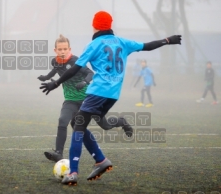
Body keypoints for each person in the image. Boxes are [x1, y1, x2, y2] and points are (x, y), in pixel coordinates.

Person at [40, 11, 181, 185]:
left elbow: (74, 69)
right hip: (113, 94)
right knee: (81, 123)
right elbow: (147, 46)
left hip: (98, 91)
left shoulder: (94, 44)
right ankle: (100, 160)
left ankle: (73, 172)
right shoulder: (122, 42)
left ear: (94, 25)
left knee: (78, 127)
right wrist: (167, 40)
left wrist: (55, 84)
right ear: (110, 25)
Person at [38, 35, 133, 162]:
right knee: (62, 120)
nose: (62, 51)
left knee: (105, 125)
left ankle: (122, 122)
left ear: (69, 49)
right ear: (55, 50)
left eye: (65, 49)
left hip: (88, 101)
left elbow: (90, 73)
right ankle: (58, 153)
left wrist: (84, 82)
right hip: (70, 100)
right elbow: (55, 70)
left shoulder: (76, 61)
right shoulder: (55, 61)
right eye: (60, 49)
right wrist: (45, 77)